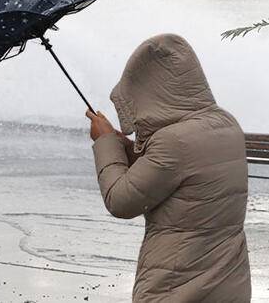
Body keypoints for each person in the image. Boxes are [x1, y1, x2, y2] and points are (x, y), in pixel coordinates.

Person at [86, 33, 251, 302]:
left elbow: (120, 201)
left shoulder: (173, 141)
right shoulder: (226, 123)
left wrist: (105, 142)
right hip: (228, 282)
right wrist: (124, 145)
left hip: (177, 284)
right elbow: (179, 175)